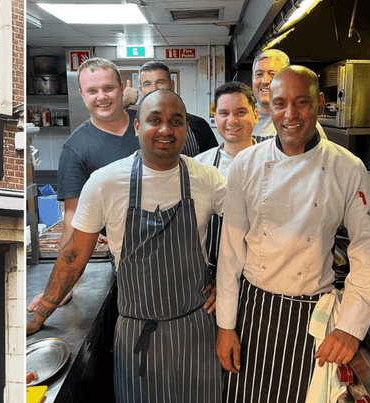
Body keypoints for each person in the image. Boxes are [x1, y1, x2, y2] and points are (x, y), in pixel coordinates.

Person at [28, 89, 225, 402]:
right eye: (154, 120)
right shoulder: (106, 181)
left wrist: (225, 277)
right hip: (137, 337)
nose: (165, 129)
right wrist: (41, 312)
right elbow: (75, 253)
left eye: (176, 121)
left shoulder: (208, 179)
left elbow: (248, 231)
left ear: (186, 128)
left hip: (196, 332)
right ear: (137, 126)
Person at [215, 66, 370, 403]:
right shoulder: (246, 164)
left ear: (319, 104)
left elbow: (367, 249)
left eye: (301, 102)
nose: (290, 115)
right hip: (253, 314)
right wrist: (225, 325)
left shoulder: (347, 168)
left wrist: (350, 326)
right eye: (280, 104)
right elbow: (231, 252)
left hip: (308, 320)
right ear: (268, 107)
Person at [28, 57, 139, 311]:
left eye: (108, 88)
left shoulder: (146, 124)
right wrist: (60, 289)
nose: (102, 97)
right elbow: (73, 218)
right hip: (128, 260)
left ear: (121, 88)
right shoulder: (76, 148)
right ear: (82, 94)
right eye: (92, 91)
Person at [195, 81, 258, 276]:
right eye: (224, 113)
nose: (232, 120)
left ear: (255, 116)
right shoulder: (199, 165)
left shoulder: (272, 162)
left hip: (259, 275)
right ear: (215, 117)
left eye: (240, 112)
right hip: (211, 274)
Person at [123, 61, 218, 156]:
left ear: (172, 84)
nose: (154, 88)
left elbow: (214, 163)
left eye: (160, 82)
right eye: (147, 84)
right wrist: (122, 104)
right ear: (141, 89)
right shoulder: (129, 124)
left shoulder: (199, 125)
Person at [251, 49, 326, 143]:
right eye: (259, 74)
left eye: (272, 74)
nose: (265, 80)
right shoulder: (243, 120)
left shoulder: (302, 124)